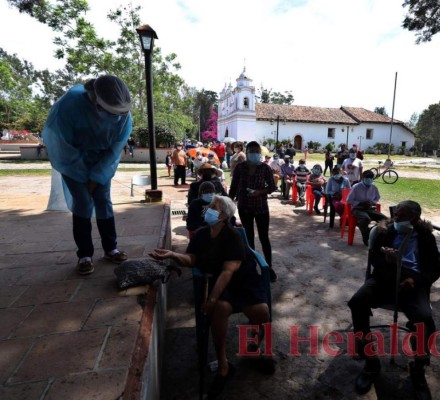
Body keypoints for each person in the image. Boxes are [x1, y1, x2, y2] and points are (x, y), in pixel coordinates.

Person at [150, 195, 274, 399]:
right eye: (209, 206)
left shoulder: (233, 236)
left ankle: (255, 349)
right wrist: (173, 255)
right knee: (220, 311)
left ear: (224, 215)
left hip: (241, 280)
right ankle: (223, 365)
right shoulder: (200, 234)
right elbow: (192, 258)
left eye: (213, 207)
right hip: (220, 281)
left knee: (261, 312)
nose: (208, 209)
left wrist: (211, 299)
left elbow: (229, 271)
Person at [348, 200, 440, 399]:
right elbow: (374, 258)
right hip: (384, 277)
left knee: (424, 318)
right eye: (396, 214)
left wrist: (414, 280)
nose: (396, 218)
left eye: (402, 216)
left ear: (414, 219)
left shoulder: (425, 236)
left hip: (412, 281)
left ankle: (418, 369)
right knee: (357, 301)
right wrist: (387, 263)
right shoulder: (386, 231)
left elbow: (434, 269)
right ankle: (371, 362)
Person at [42, 75, 132, 275]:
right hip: (72, 160)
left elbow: (115, 148)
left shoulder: (123, 113)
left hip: (102, 161)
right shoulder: (68, 108)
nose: (116, 118)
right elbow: (61, 146)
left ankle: (111, 248)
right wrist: (83, 177)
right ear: (96, 102)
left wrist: (98, 176)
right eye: (110, 113)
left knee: (103, 200)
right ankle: (84, 255)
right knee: (82, 201)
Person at [229, 141, 278, 282]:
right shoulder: (240, 167)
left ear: (260, 153)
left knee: (264, 238)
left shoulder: (265, 168)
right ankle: (252, 268)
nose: (254, 154)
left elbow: (272, 187)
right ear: (247, 152)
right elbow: (233, 187)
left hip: (261, 207)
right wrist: (228, 203)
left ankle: (268, 268)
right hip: (244, 207)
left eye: (257, 151)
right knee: (249, 239)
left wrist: (259, 192)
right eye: (251, 151)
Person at [346, 170, 387, 245]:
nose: (369, 179)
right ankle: (366, 239)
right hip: (357, 209)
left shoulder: (374, 187)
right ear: (363, 178)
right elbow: (349, 200)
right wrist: (360, 203)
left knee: (385, 219)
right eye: (367, 177)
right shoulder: (356, 187)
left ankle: (371, 231)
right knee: (365, 219)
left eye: (371, 178)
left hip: (369, 208)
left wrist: (372, 202)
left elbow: (377, 198)